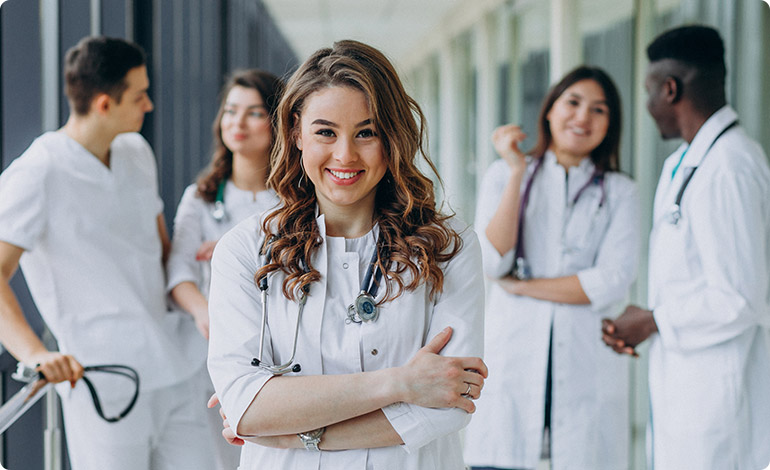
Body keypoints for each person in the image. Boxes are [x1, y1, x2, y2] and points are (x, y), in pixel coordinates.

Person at [206, 39, 488, 469]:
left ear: (392, 136)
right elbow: (246, 407)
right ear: (296, 132)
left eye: (366, 133)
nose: (345, 155)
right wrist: (402, 383)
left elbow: (450, 403)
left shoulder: (449, 247)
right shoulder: (246, 249)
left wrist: (293, 434)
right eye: (326, 132)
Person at [0, 36, 213, 470]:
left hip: (175, 365)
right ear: (103, 104)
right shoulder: (37, 172)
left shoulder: (136, 151)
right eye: (139, 96)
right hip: (105, 382)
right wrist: (34, 355)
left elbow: (161, 250)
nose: (149, 105)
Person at [601, 25, 770, 469]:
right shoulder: (687, 161)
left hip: (721, 402)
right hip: (689, 389)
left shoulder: (730, 166)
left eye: (648, 91)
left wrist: (654, 320)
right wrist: (648, 319)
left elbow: (739, 296)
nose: (647, 105)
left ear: (670, 89)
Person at [464, 66, 640, 470]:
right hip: (514, 359)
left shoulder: (620, 191)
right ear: (549, 110)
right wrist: (517, 171)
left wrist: (523, 287)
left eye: (599, 110)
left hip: (583, 363)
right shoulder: (504, 174)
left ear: (610, 124)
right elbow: (492, 261)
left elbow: (611, 281)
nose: (583, 117)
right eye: (573, 103)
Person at [166, 68, 282, 470]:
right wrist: (204, 312)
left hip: (280, 344)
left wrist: (235, 252)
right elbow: (178, 271)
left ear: (278, 122)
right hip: (212, 347)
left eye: (254, 112)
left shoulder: (296, 198)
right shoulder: (201, 198)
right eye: (231, 111)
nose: (238, 122)